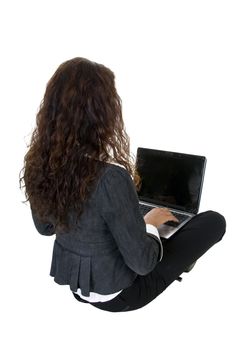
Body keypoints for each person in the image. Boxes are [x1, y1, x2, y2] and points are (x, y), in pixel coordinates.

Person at [19, 57, 226, 312]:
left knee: (144, 227)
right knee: (214, 221)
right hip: (121, 295)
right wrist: (147, 225)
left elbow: (45, 228)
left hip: (77, 284)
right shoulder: (110, 177)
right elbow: (143, 264)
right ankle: (174, 252)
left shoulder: (38, 164)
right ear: (103, 113)